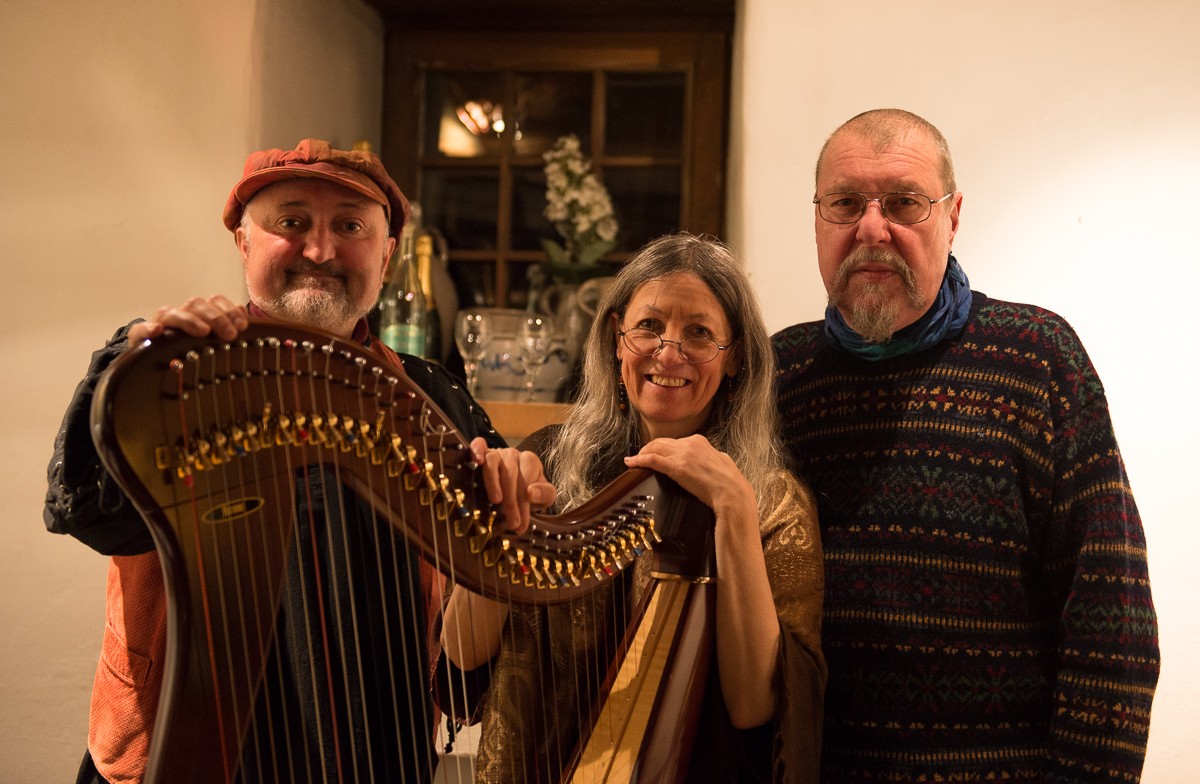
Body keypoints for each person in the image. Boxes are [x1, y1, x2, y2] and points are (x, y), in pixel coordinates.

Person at [43, 139, 552, 784]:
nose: (320, 249)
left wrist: (511, 496)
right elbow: (92, 516)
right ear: (243, 243)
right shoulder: (176, 370)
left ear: (388, 251)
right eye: (291, 223)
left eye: (350, 226)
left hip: (376, 755)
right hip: (185, 757)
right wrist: (137, 365)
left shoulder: (436, 395)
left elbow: (471, 626)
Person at [772, 108, 1160, 782]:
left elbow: (1112, 622)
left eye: (904, 202)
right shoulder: (780, 375)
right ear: (816, 221)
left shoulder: (1039, 360)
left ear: (952, 218)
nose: (871, 227)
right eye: (844, 203)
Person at [440, 233, 827, 783]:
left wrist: (734, 510)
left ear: (736, 355)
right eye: (649, 326)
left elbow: (754, 706)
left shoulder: (771, 500)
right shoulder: (547, 461)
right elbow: (463, 653)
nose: (669, 353)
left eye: (699, 332)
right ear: (616, 338)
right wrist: (495, 530)